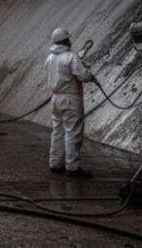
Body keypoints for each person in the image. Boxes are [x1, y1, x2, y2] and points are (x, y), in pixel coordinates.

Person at [45, 27, 94, 178]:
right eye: (68, 39)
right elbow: (83, 76)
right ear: (65, 41)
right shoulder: (71, 57)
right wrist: (88, 72)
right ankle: (72, 167)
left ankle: (55, 164)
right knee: (72, 132)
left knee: (57, 131)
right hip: (71, 99)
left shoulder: (49, 59)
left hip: (55, 99)